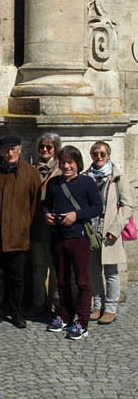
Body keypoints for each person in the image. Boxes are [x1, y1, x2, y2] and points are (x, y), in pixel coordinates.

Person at [44, 146, 103, 340]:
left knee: (83, 281)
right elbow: (45, 204)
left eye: (70, 162)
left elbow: (96, 207)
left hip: (79, 237)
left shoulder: (87, 183)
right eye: (63, 162)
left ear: (78, 163)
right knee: (61, 279)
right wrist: (48, 215)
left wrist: (76, 215)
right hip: (59, 237)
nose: (67, 166)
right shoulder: (53, 184)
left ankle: (82, 321)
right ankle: (65, 316)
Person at [0, 136, 40, 328]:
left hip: (18, 235)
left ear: (20, 150)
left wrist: (24, 226)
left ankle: (16, 312)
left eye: (13, 149)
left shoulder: (30, 173)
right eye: (6, 150)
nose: (10, 153)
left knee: (17, 277)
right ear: (0, 152)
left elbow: (34, 204)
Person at [85, 141, 133, 325]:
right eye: (95, 153)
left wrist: (116, 228)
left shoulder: (117, 177)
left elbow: (127, 205)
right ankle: (98, 305)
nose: (98, 156)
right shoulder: (86, 176)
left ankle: (111, 308)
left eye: (102, 153)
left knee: (111, 271)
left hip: (110, 228)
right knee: (94, 270)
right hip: (91, 229)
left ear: (108, 155)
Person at [25, 132, 62, 319]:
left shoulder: (62, 169)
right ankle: (39, 303)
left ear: (55, 149)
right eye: (42, 147)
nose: (45, 150)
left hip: (56, 225)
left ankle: (56, 304)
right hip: (37, 225)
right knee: (38, 266)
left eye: (49, 147)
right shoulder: (31, 169)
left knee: (56, 266)